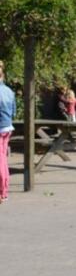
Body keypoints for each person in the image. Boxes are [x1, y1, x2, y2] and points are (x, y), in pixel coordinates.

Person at [0, 61, 15, 204]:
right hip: (7, 128)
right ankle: (4, 190)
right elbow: (13, 112)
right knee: (3, 158)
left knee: (0, 160)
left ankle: (2, 191)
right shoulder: (9, 91)